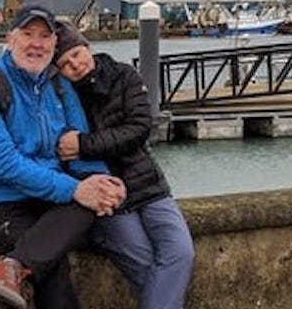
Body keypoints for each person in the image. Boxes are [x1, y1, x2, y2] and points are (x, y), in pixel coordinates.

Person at [0, 5, 127, 309]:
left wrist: (103, 181)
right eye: (28, 34)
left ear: (53, 44)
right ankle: (14, 266)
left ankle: (10, 267)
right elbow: (3, 163)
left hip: (42, 192)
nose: (36, 43)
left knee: (88, 202)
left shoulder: (59, 86)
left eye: (44, 36)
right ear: (11, 39)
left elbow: (79, 143)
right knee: (53, 266)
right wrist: (75, 189)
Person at [53, 20, 196, 309]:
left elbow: (139, 129)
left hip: (148, 186)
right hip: (104, 196)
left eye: (77, 55)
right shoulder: (60, 98)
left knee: (181, 252)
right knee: (144, 265)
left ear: (87, 47)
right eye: (66, 63)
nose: (76, 65)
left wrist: (83, 144)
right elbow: (58, 147)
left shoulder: (124, 76)